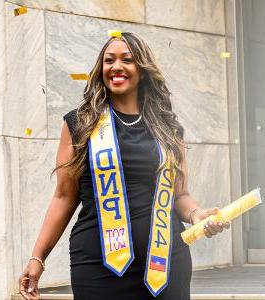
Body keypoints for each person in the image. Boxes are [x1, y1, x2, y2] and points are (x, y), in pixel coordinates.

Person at [18, 31, 230, 300]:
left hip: (163, 261)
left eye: (127, 60)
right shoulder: (80, 124)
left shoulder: (167, 128)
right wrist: (38, 258)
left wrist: (197, 214)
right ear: (101, 69)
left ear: (142, 69)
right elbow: (63, 196)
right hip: (99, 267)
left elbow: (179, 194)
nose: (116, 67)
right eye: (109, 61)